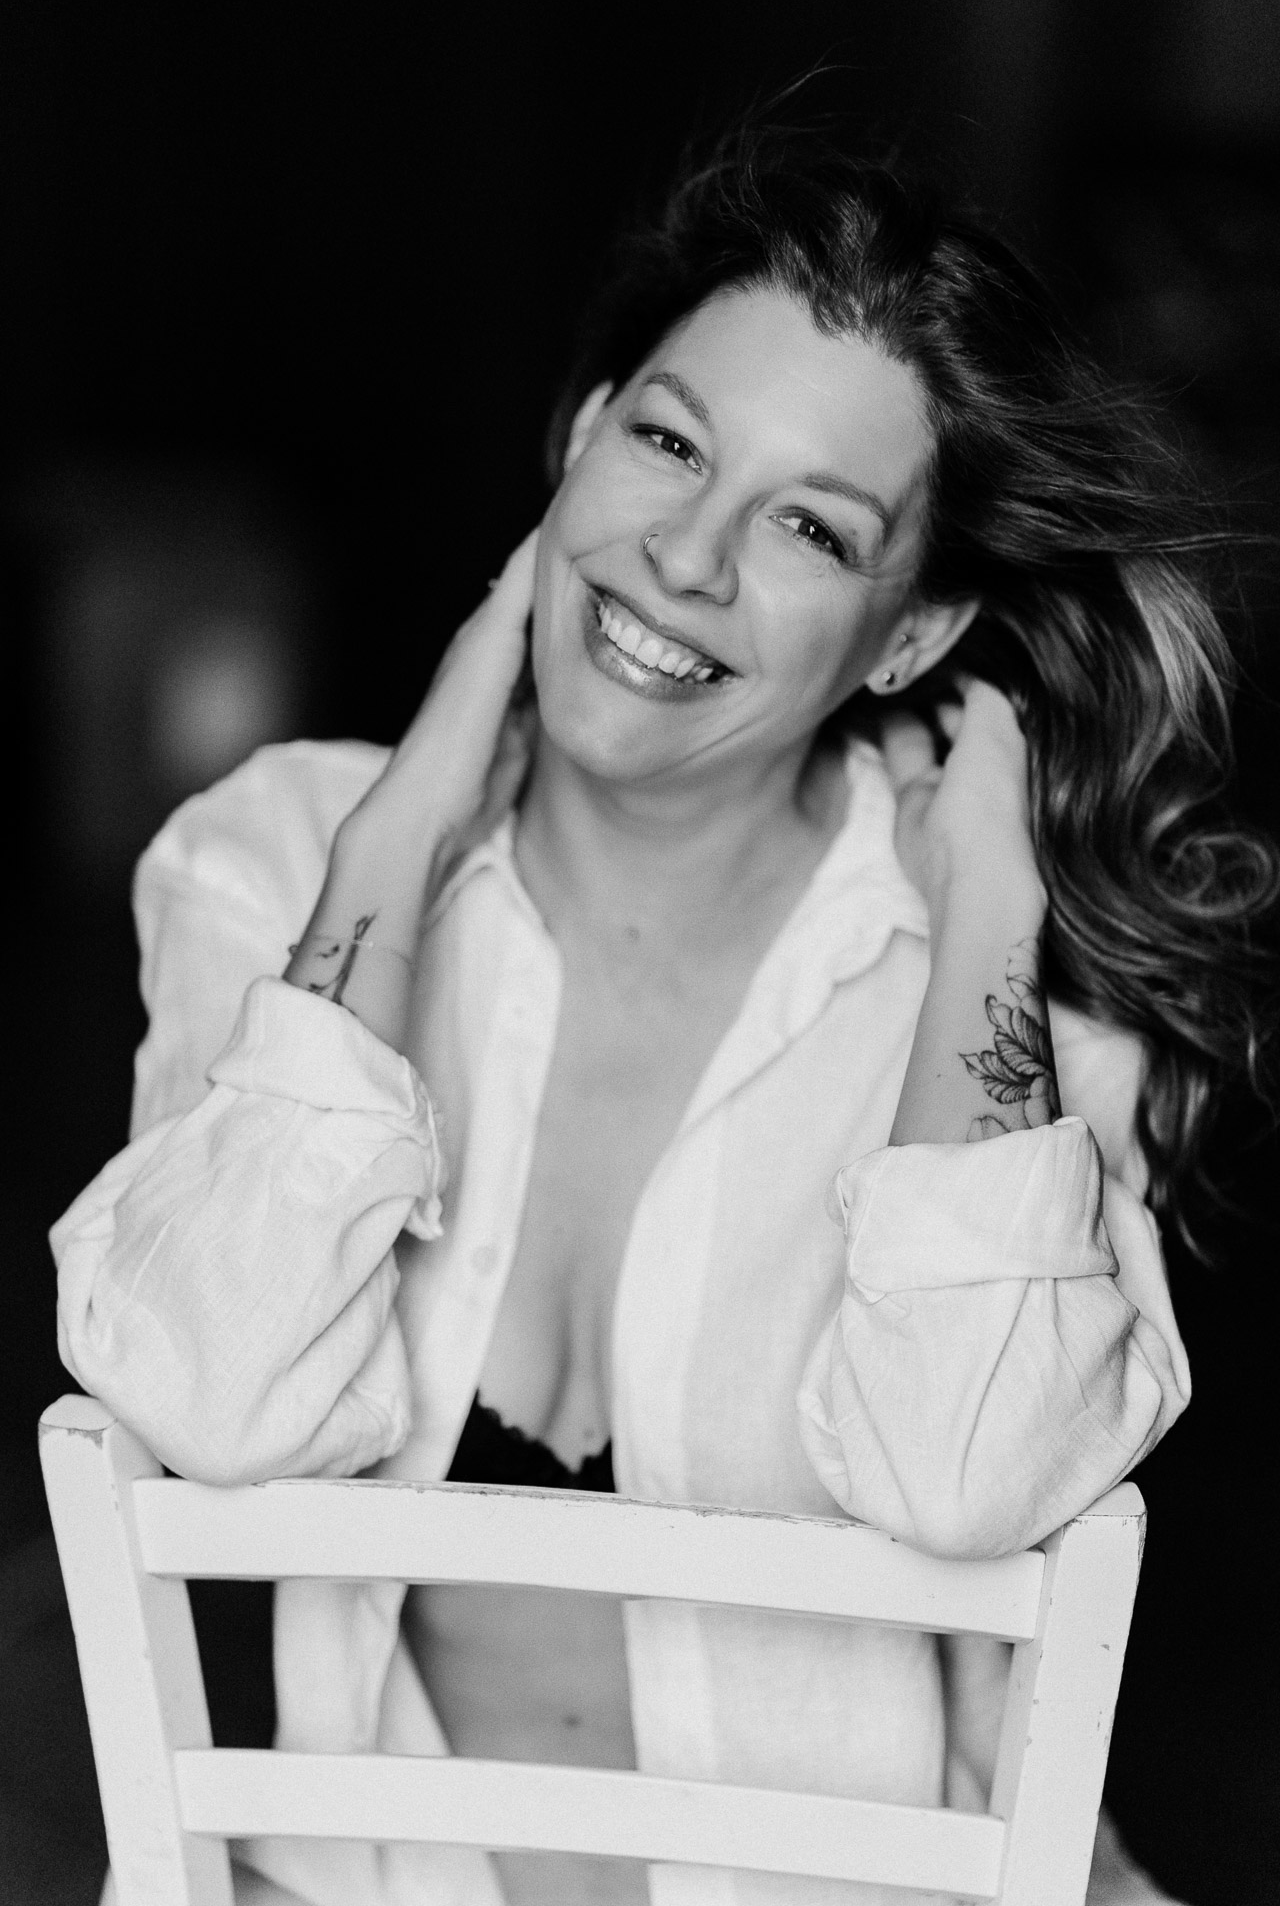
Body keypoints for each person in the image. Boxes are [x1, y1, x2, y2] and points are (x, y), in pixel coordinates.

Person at [52, 122, 1274, 1906]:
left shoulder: (1009, 994)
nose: (688, 557)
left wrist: (991, 902)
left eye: (809, 525)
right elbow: (210, 1394)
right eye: (671, 443)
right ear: (579, 436)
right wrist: (408, 822)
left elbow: (968, 1479)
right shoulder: (282, 860)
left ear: (910, 637)